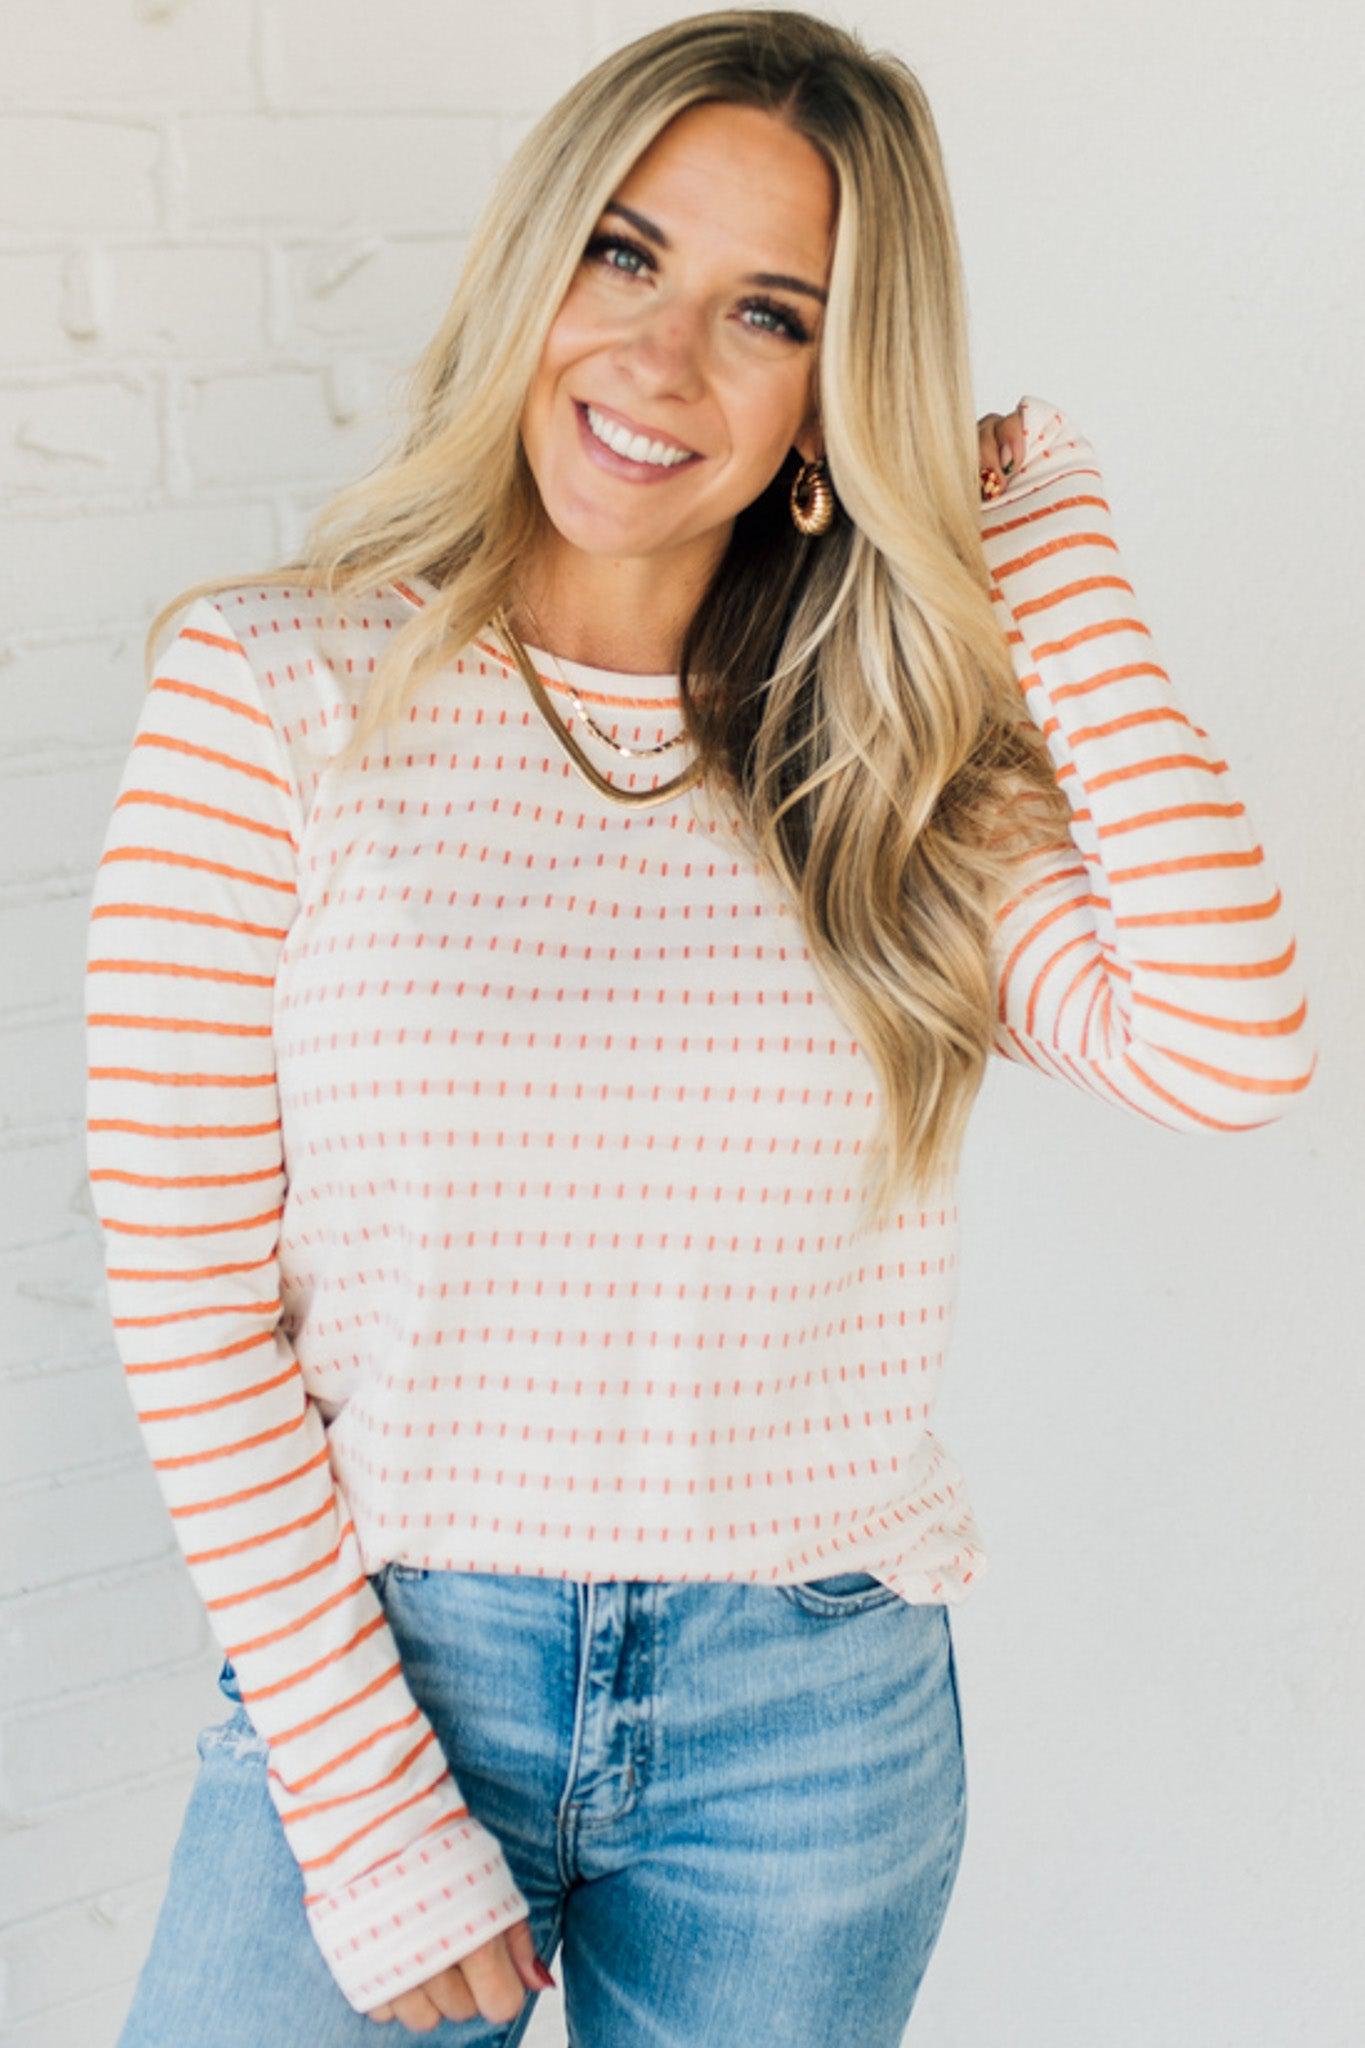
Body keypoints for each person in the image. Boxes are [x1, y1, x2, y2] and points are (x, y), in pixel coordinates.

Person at [87, 10, 1317, 2044]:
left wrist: (1054, 575)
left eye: (768, 313)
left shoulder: (880, 767)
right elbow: (189, 1299)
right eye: (624, 254)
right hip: (390, 1663)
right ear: (532, 268)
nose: (661, 362)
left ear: (834, 395)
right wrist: (368, 1795)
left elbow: (1226, 1047)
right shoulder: (272, 691)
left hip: (810, 1718)